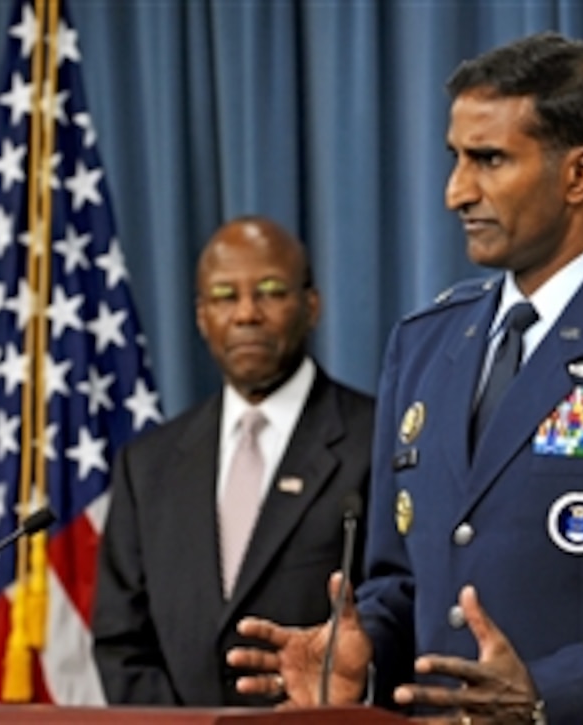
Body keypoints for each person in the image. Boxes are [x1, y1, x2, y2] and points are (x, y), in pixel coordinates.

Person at [227, 31, 583, 724]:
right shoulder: (424, 343)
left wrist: (554, 692)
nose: (456, 191)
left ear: (579, 174)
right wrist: (361, 650)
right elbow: (403, 581)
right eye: (456, 158)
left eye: (488, 160)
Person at [92, 215, 375, 707]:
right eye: (225, 296)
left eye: (269, 291)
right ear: (202, 316)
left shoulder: (374, 441)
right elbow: (122, 644)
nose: (246, 314)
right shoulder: (149, 465)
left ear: (311, 306)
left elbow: (396, 611)